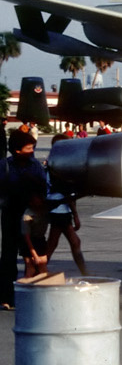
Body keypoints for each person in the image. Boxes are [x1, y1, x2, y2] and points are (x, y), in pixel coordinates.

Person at [1, 129, 48, 309]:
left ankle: (34, 295)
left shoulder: (35, 165)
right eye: (28, 148)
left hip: (30, 215)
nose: (32, 151)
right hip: (11, 214)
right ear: (17, 150)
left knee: (31, 257)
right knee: (8, 256)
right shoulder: (4, 166)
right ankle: (6, 296)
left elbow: (43, 188)